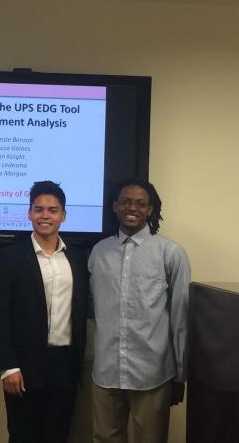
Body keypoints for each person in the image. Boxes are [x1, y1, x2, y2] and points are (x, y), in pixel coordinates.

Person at [89, 178, 191, 443]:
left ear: (150, 209)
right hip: (106, 372)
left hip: (152, 374)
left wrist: (180, 374)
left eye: (139, 203)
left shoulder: (171, 253)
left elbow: (181, 317)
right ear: (115, 206)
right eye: (125, 201)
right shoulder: (98, 253)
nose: (131, 208)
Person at [0, 180, 89, 443]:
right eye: (39, 209)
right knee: (23, 436)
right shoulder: (10, 257)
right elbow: (0, 315)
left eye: (53, 210)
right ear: (29, 213)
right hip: (23, 367)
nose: (45, 215)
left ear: (63, 215)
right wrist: (8, 367)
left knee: (58, 436)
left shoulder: (77, 258)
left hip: (65, 365)